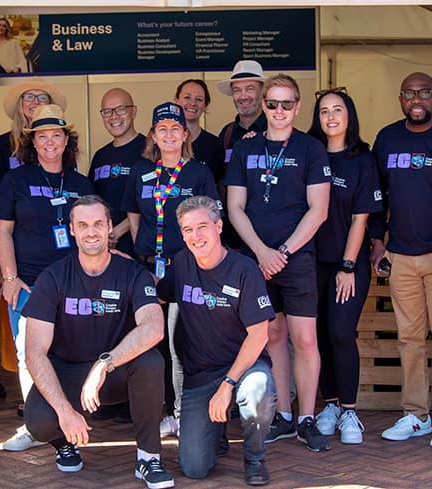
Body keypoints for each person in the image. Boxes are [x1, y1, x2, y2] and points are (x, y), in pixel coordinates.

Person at [22, 195, 174, 489]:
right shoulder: (52, 277)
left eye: (97, 224)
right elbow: (35, 353)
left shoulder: (132, 272)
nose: (91, 231)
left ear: (108, 228)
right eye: (83, 225)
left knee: (151, 360)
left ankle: (149, 457)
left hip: (114, 372)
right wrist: (65, 413)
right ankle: (64, 441)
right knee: (39, 422)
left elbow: (154, 328)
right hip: (67, 373)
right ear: (72, 230)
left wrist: (104, 364)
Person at [224, 73, 332, 452]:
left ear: (298, 107)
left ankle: (307, 418)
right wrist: (261, 252)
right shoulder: (244, 148)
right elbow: (234, 207)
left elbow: (319, 211)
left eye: (288, 104)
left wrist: (282, 253)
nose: (280, 111)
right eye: (273, 104)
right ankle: (284, 416)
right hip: (256, 261)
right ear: (264, 105)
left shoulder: (311, 149)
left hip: (297, 258)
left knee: (304, 340)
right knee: (272, 337)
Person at [369, 72, 432, 448]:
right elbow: (376, 196)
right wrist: (378, 241)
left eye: (425, 93)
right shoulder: (386, 139)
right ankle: (416, 415)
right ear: (400, 99)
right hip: (401, 257)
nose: (417, 99)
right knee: (409, 340)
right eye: (410, 93)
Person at [0, 104, 95, 451]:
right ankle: (35, 425)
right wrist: (9, 277)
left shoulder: (81, 183)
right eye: (42, 136)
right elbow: (3, 232)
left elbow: (93, 233)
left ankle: (70, 418)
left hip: (73, 283)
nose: (49, 142)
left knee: (70, 353)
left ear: (66, 140)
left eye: (56, 135)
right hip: (29, 284)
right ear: (32, 142)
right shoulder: (16, 180)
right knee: (29, 354)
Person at [158, 196, 276, 486]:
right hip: (200, 375)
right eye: (187, 230)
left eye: (202, 227)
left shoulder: (244, 269)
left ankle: (255, 457)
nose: (195, 236)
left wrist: (228, 385)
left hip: (245, 368)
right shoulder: (182, 263)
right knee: (194, 468)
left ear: (219, 226)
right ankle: (216, 434)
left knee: (258, 392)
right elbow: (157, 294)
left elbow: (260, 334)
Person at [121, 102, 221, 438]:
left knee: (181, 345)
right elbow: (134, 216)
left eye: (174, 129)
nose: (168, 135)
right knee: (151, 345)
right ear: (153, 134)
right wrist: (144, 257)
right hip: (148, 271)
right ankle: (160, 413)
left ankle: (180, 413)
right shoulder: (140, 171)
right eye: (161, 129)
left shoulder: (198, 172)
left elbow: (211, 222)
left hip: (185, 271)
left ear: (185, 134)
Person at [307, 88, 383, 445]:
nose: (331, 117)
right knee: (318, 336)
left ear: (349, 115)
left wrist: (348, 265)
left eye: (337, 110)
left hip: (345, 264)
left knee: (340, 332)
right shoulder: (308, 151)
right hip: (309, 263)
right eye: (324, 111)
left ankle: (350, 411)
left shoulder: (362, 159)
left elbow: (360, 219)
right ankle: (331, 405)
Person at [216, 60, 268, 249]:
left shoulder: (276, 131)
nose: (243, 96)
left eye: (250, 89)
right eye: (237, 90)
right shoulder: (227, 133)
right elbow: (219, 180)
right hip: (232, 237)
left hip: (269, 234)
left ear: (262, 91)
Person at [88, 88, 145, 255]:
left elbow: (157, 200)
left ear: (133, 111)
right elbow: (92, 201)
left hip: (138, 249)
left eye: (120, 109)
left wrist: (117, 232)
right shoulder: (100, 155)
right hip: (103, 249)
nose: (113, 116)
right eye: (107, 111)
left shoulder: (150, 150)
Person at [0, 78, 67, 178]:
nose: (36, 102)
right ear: (20, 103)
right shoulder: (3, 143)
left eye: (42, 98)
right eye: (29, 97)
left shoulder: (59, 142)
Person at [175, 79, 221, 174]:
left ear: (205, 106)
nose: (192, 103)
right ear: (176, 101)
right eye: (187, 97)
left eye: (199, 99)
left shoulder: (216, 145)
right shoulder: (164, 144)